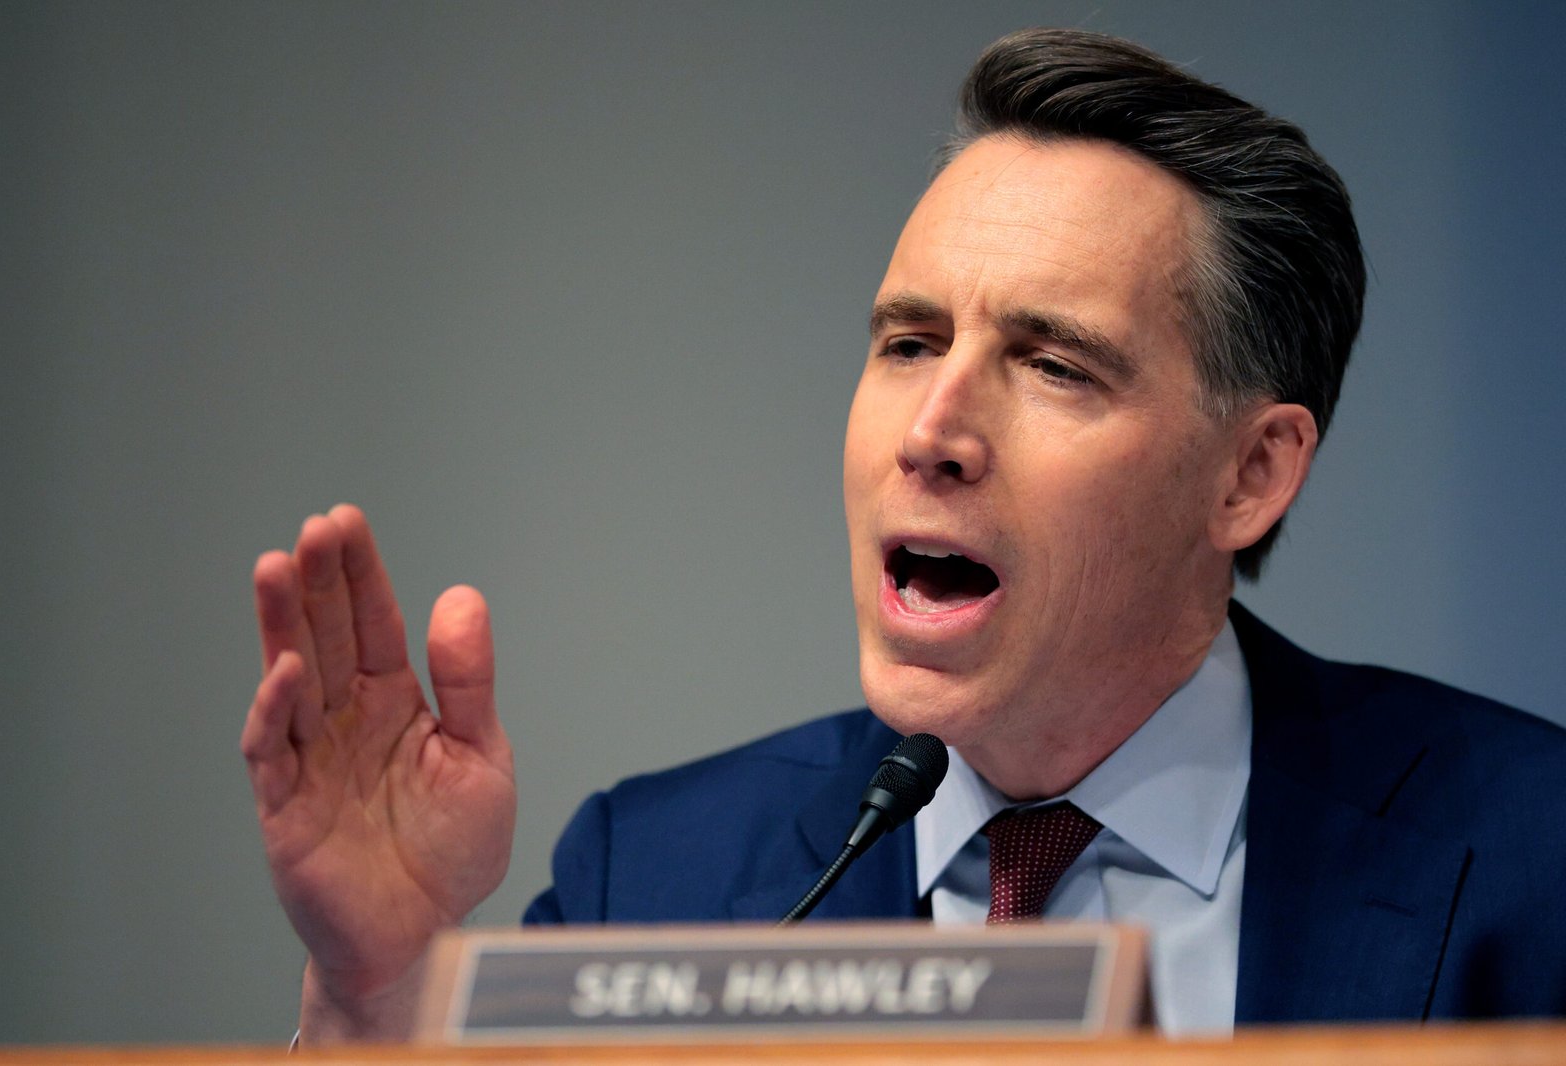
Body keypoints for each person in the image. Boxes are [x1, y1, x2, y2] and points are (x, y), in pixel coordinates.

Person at [240, 29, 1566, 1044]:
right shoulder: (653, 872)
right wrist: (373, 997)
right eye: (909, 342)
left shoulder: (1531, 855)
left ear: (1251, 473)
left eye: (1054, 365)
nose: (932, 431)